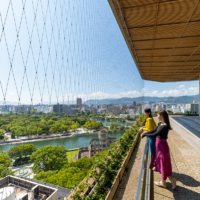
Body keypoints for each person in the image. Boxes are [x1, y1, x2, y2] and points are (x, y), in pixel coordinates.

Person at [141, 110, 178, 189]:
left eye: (157, 115)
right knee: (161, 163)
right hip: (159, 145)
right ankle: (172, 179)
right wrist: (145, 133)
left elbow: (155, 134)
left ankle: (163, 182)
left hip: (162, 146)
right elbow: (153, 131)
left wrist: (144, 134)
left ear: (161, 116)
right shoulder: (161, 124)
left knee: (163, 163)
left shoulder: (164, 126)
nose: (157, 116)